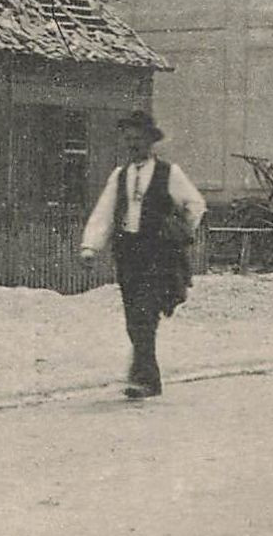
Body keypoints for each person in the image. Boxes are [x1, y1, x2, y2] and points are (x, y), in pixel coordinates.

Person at [79, 111, 207, 400]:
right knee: (133, 315)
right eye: (129, 139)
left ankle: (145, 378)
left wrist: (178, 229)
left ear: (151, 141)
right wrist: (90, 247)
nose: (133, 144)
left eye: (138, 139)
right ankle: (146, 376)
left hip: (158, 254)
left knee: (145, 313)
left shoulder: (168, 173)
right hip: (128, 253)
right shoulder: (120, 175)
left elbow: (195, 204)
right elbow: (105, 212)